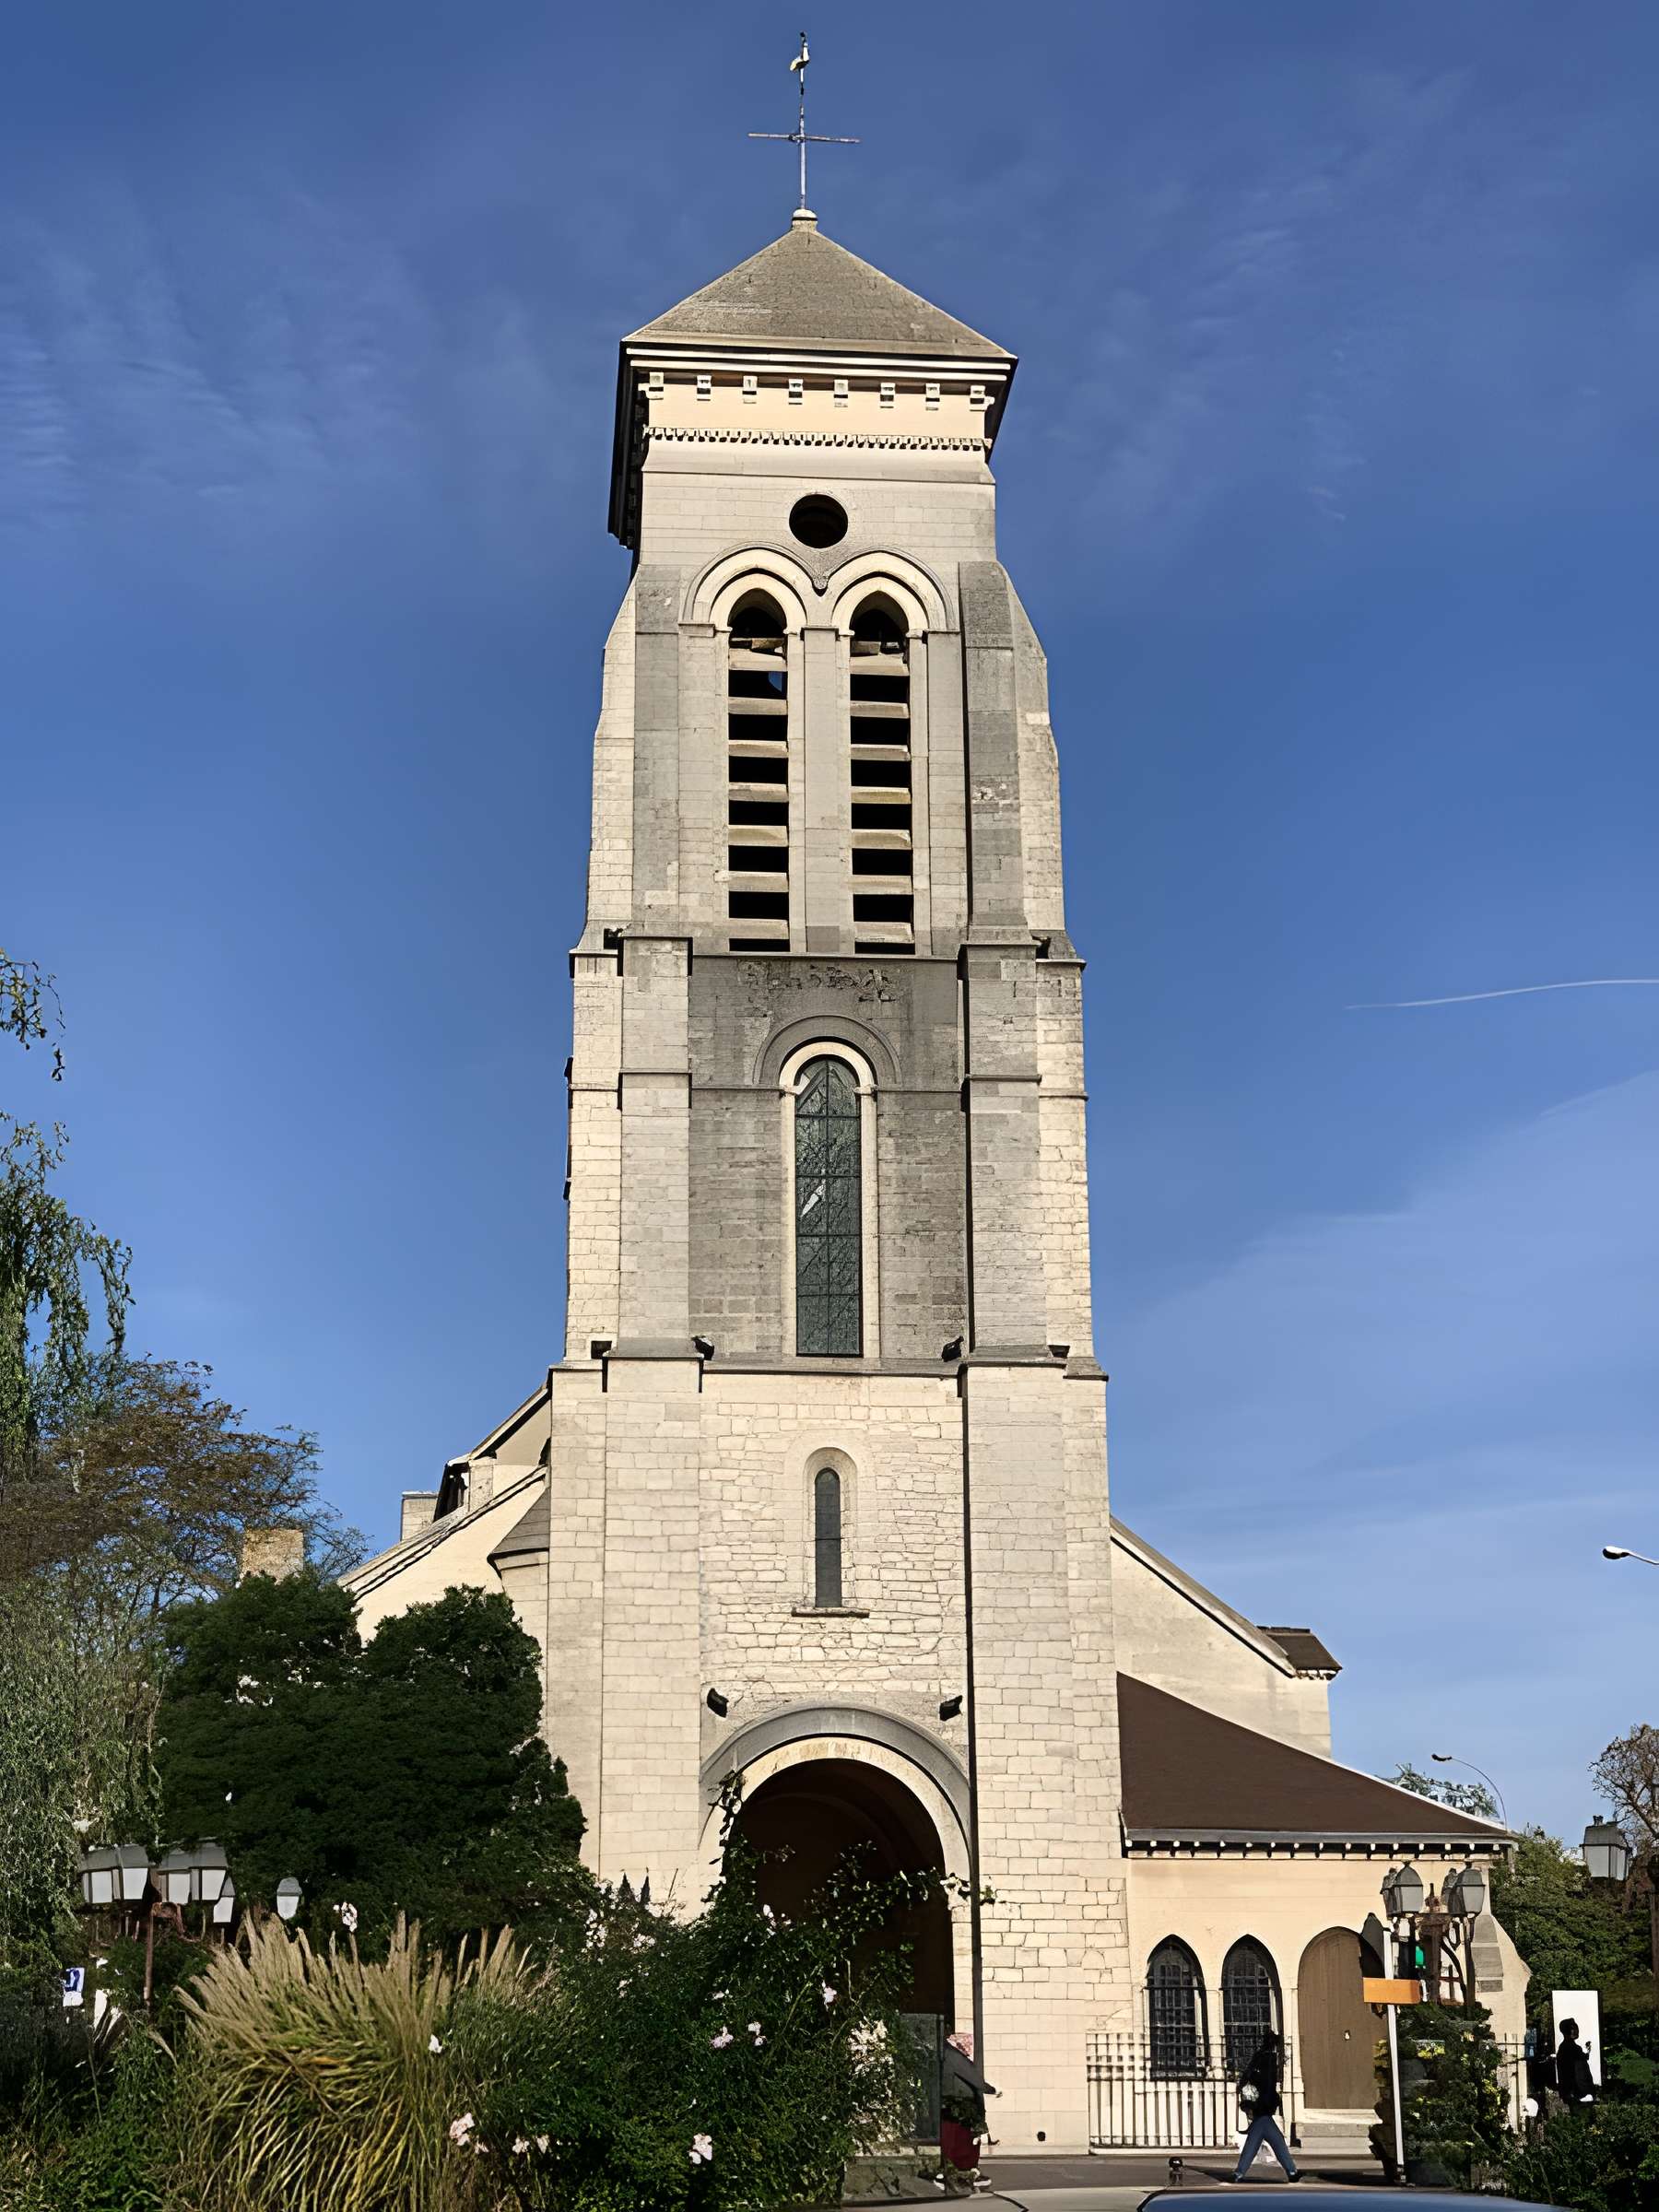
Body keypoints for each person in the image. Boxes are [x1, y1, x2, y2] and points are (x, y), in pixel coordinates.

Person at [1232, 2030, 1301, 2183]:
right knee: (1271, 2141)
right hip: (1263, 2107)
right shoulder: (1269, 2058)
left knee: (1266, 2140)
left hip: (1260, 2108)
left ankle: (1291, 2171)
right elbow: (1268, 2084)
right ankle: (1291, 2171)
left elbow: (1249, 2077)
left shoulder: (1260, 2056)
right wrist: (1272, 2101)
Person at [938, 2030, 996, 2195]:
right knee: (964, 2140)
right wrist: (991, 2089)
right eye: (968, 2044)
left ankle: (961, 2171)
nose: (970, 2048)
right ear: (960, 2043)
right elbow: (974, 2079)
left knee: (960, 2140)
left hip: (958, 2106)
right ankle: (966, 2171)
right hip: (961, 2107)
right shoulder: (955, 2056)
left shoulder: (949, 2055)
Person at [1556, 2018, 1595, 2108]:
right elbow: (1573, 2072)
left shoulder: (1570, 2048)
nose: (1576, 2030)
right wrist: (1584, 2092)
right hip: (1578, 2094)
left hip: (1577, 2093)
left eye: (1576, 2028)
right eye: (1572, 2028)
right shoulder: (1569, 2048)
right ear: (1566, 2031)